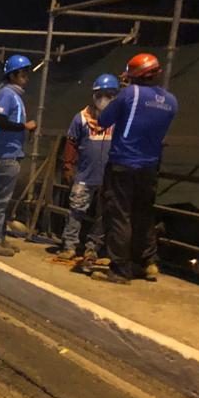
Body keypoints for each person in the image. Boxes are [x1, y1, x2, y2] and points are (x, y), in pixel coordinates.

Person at [96, 53, 178, 284]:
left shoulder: (130, 94)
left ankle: (120, 270)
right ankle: (148, 262)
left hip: (123, 164)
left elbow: (104, 120)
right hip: (150, 166)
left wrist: (122, 90)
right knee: (143, 214)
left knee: (119, 215)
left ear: (133, 75)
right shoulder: (171, 101)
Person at [57, 74, 118, 265]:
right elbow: (71, 142)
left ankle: (93, 248)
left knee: (103, 214)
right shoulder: (81, 118)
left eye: (109, 94)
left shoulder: (118, 120)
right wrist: (68, 166)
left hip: (108, 176)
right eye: (100, 94)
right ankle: (69, 245)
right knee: (76, 210)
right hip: (85, 174)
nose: (103, 99)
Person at [0, 54, 38, 257]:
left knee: (1, 201)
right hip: (6, 155)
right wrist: (24, 126)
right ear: (12, 75)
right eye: (22, 74)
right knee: (0, 201)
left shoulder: (14, 95)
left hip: (8, 154)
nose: (26, 78)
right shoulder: (7, 94)